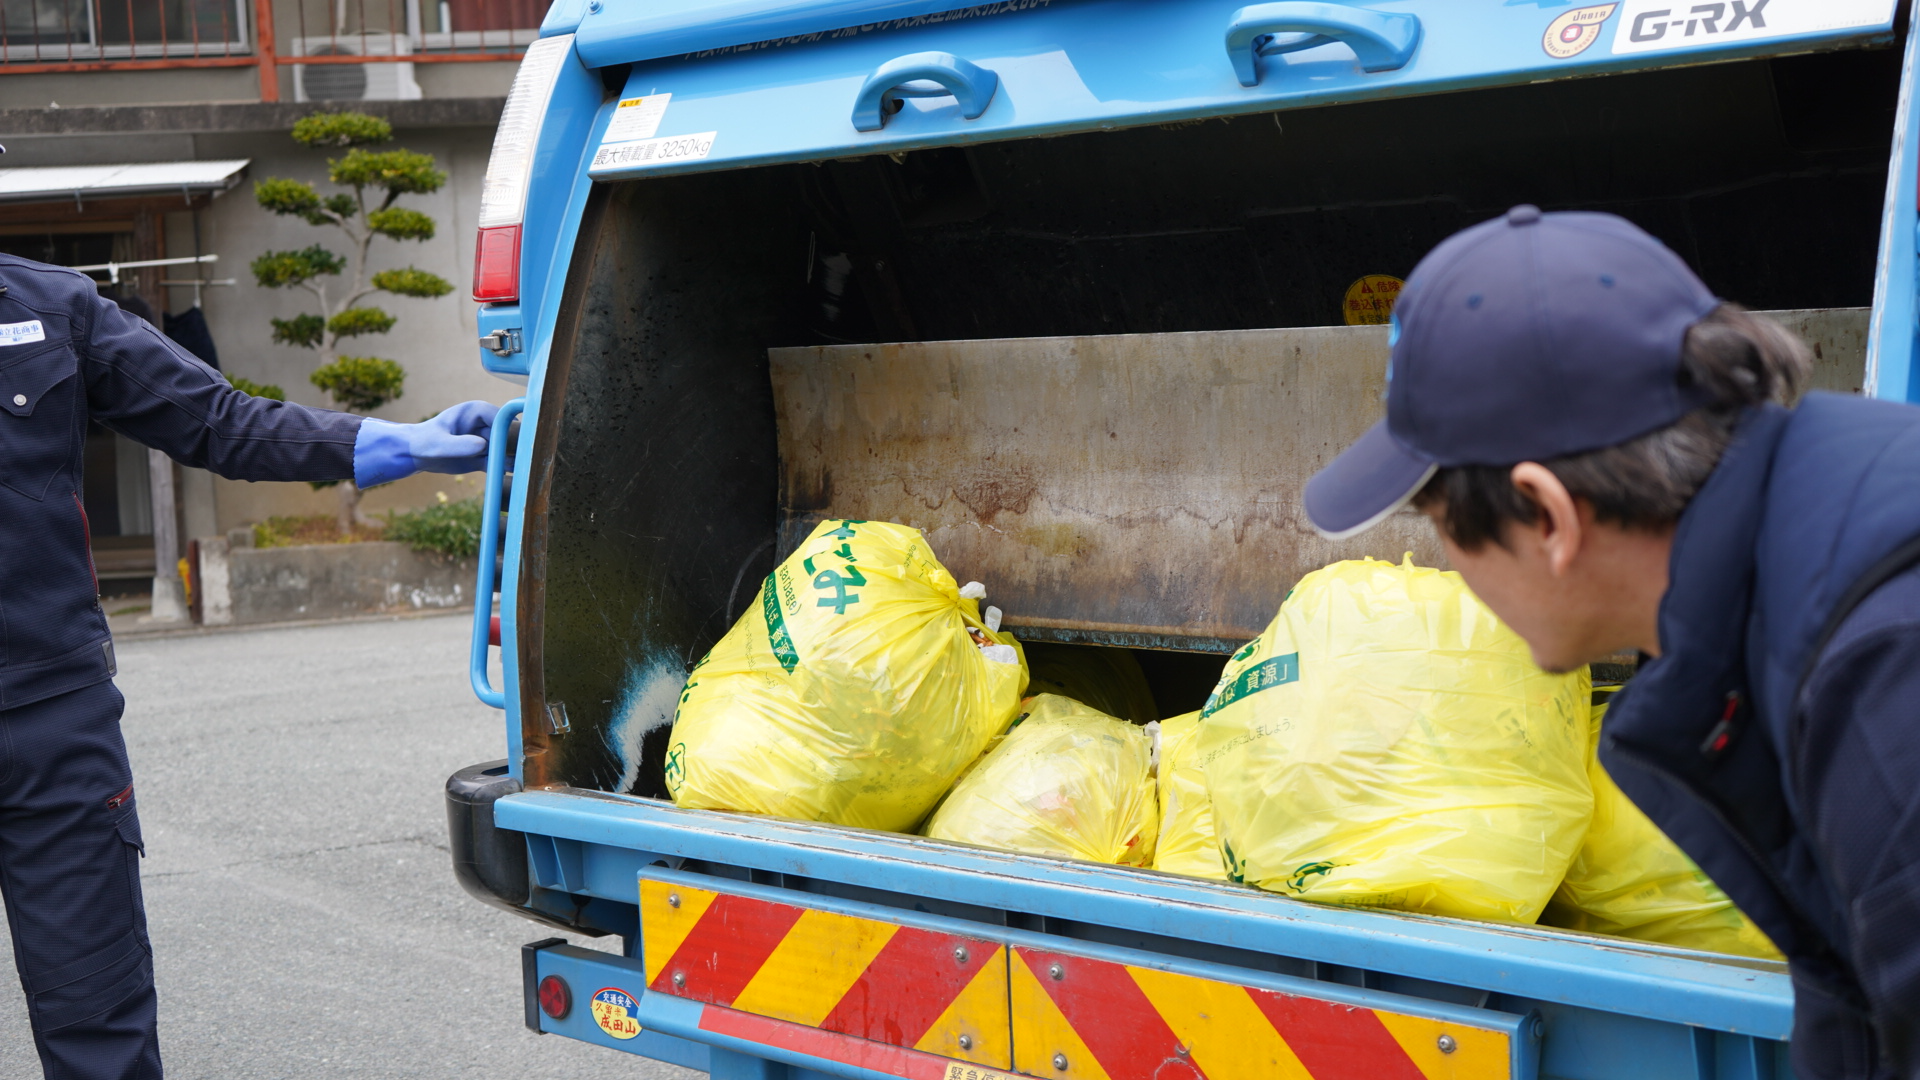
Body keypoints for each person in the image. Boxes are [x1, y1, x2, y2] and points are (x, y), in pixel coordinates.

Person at [1303, 205, 1920, 1080]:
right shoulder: (1794, 583)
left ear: (1548, 516)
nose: (1444, 568)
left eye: (1442, 526)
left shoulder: (1883, 678)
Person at [0, 250, 499, 1078]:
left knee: (100, 1028)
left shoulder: (51, 306)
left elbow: (217, 419)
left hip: (56, 726)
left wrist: (397, 443)